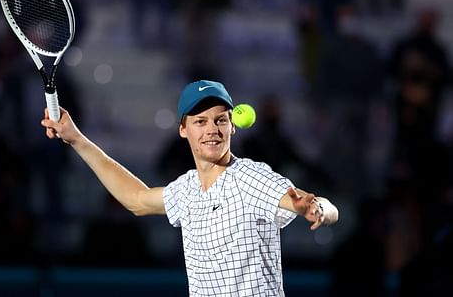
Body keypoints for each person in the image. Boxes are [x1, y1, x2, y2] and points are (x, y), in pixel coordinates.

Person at [40, 79, 339, 296]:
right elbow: (136, 199)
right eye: (200, 121)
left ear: (233, 126)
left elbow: (321, 206)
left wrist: (317, 209)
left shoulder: (251, 177)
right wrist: (77, 139)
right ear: (183, 129)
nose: (212, 129)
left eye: (220, 120)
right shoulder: (185, 190)